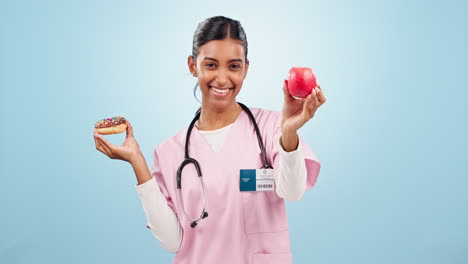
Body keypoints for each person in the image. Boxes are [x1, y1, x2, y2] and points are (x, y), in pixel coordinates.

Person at [93, 15, 326, 264]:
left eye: (234, 66)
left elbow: (291, 192)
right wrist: (137, 162)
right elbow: (173, 242)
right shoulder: (169, 152)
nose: (223, 78)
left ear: (246, 68)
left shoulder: (272, 127)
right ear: (193, 66)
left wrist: (289, 133)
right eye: (211, 65)